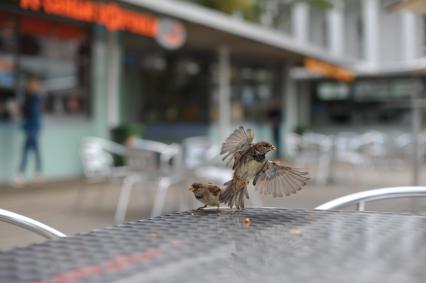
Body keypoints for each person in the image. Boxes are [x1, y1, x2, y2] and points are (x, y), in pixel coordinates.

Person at [16, 76, 44, 183]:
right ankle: (37, 172)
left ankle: (22, 173)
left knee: (28, 150)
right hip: (32, 127)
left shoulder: (34, 99)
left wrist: (29, 128)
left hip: (32, 128)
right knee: (33, 150)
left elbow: (33, 115)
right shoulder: (32, 98)